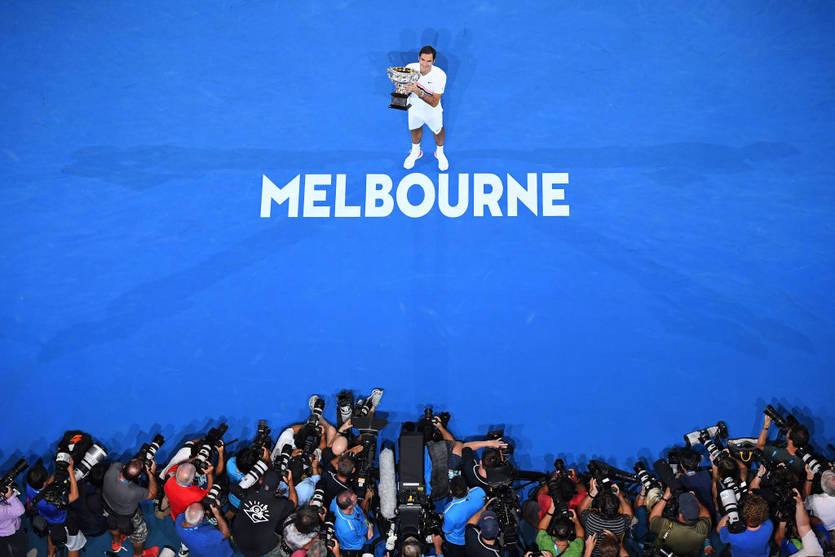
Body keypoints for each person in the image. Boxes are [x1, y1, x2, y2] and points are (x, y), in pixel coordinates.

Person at [401, 45, 449, 171]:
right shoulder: (410, 68)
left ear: (433, 61)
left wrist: (417, 91)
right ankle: (416, 152)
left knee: (438, 131)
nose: (425, 64)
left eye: (429, 61)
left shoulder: (440, 75)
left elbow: (434, 102)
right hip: (414, 109)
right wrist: (402, 91)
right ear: (419, 58)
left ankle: (440, 152)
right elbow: (403, 90)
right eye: (422, 59)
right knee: (415, 130)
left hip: (432, 111)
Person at [26, 460, 87, 557]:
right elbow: (75, 495)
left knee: (53, 536)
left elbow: (29, 503)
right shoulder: (53, 500)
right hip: (64, 523)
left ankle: (51, 554)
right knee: (74, 546)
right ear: (45, 483)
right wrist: (71, 470)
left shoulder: (29, 486)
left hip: (48, 521)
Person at [101, 459, 159, 557]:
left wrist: (135, 462)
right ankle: (138, 554)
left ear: (124, 467)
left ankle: (116, 542)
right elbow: (152, 494)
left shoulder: (113, 468)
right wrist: (151, 474)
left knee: (111, 523)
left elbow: (125, 466)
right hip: (127, 516)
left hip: (107, 507)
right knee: (139, 535)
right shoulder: (134, 491)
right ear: (138, 477)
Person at [232, 470, 297, 557]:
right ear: (277, 487)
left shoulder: (249, 494)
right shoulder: (279, 505)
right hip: (260, 549)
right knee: (278, 540)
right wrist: (290, 482)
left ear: (260, 480)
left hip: (238, 539)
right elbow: (294, 502)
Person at [648, 488, 711, 557]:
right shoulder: (702, 530)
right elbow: (706, 515)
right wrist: (693, 500)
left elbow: (653, 519)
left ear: (680, 515)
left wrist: (665, 497)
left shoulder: (667, 527)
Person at [577, 480, 633, 555]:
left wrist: (593, 493)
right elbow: (629, 515)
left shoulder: (590, 519)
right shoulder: (621, 523)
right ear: (618, 509)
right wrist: (620, 496)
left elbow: (581, 510)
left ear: (599, 508)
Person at [717, 493, 773, 557]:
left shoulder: (734, 534)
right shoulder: (769, 525)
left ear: (742, 515)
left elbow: (719, 530)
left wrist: (731, 512)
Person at [442, 477, 486, 557]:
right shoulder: (479, 491)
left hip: (456, 541)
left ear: (451, 491)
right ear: (467, 488)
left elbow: (447, 531)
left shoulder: (449, 513)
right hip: (474, 535)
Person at [330, 489, 374, 557]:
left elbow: (361, 514)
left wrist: (369, 525)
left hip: (366, 526)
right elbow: (358, 544)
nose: (356, 496)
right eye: (355, 498)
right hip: (356, 544)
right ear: (350, 506)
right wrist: (367, 536)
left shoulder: (342, 502)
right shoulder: (346, 530)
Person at [0, 485, 26, 557]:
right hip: (11, 530)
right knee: (19, 549)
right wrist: (11, 497)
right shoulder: (2, 510)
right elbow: (20, 510)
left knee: (3, 551)